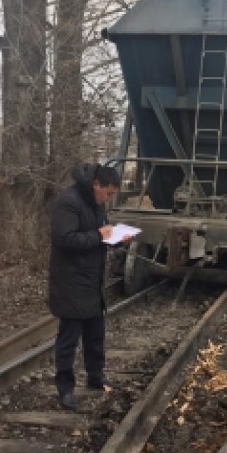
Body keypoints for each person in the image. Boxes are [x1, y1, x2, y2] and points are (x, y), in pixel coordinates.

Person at [49, 163, 128, 411]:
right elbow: (65, 239)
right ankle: (65, 389)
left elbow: (98, 234)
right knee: (69, 338)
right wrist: (100, 235)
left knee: (95, 334)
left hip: (92, 280)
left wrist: (115, 239)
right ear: (96, 185)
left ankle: (96, 376)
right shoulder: (67, 202)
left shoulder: (97, 203)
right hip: (71, 281)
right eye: (108, 193)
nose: (108, 198)